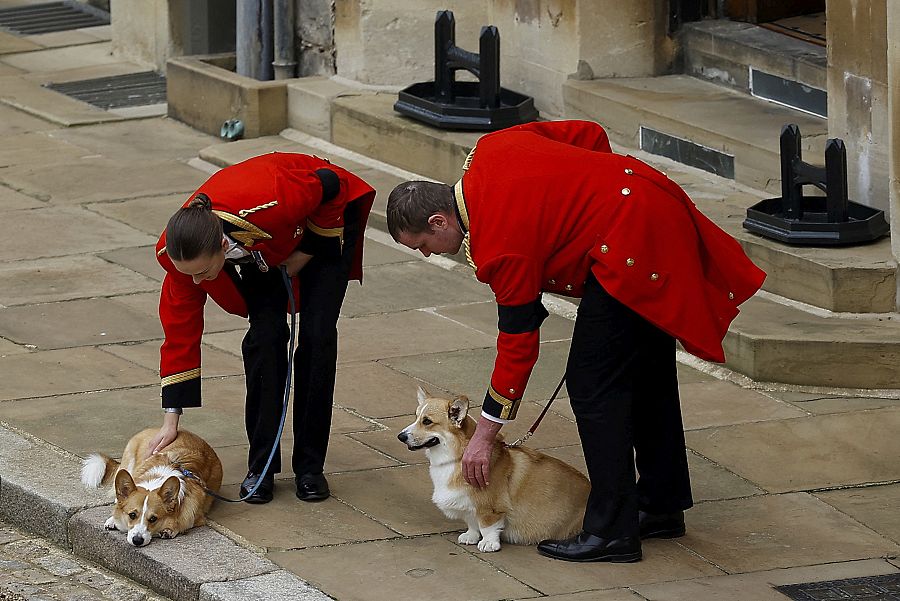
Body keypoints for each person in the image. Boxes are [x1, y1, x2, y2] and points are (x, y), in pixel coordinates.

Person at [386, 120, 765, 562]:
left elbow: (518, 344)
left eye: (425, 245)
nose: (429, 254)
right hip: (647, 203)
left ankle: (612, 531)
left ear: (438, 219)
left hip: (629, 247)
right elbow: (587, 134)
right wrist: (595, 192)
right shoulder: (490, 149)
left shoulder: (499, 245)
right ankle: (661, 505)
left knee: (593, 388)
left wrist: (484, 435)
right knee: (646, 372)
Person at [150, 152, 375, 504]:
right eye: (188, 272)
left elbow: (333, 185)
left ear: (222, 246)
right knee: (265, 338)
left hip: (321, 223)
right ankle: (262, 467)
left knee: (317, 337)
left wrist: (307, 252)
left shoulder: (274, 198)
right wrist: (171, 419)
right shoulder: (179, 253)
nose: (194, 281)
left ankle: (310, 468)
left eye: (201, 272)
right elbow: (179, 333)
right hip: (263, 249)